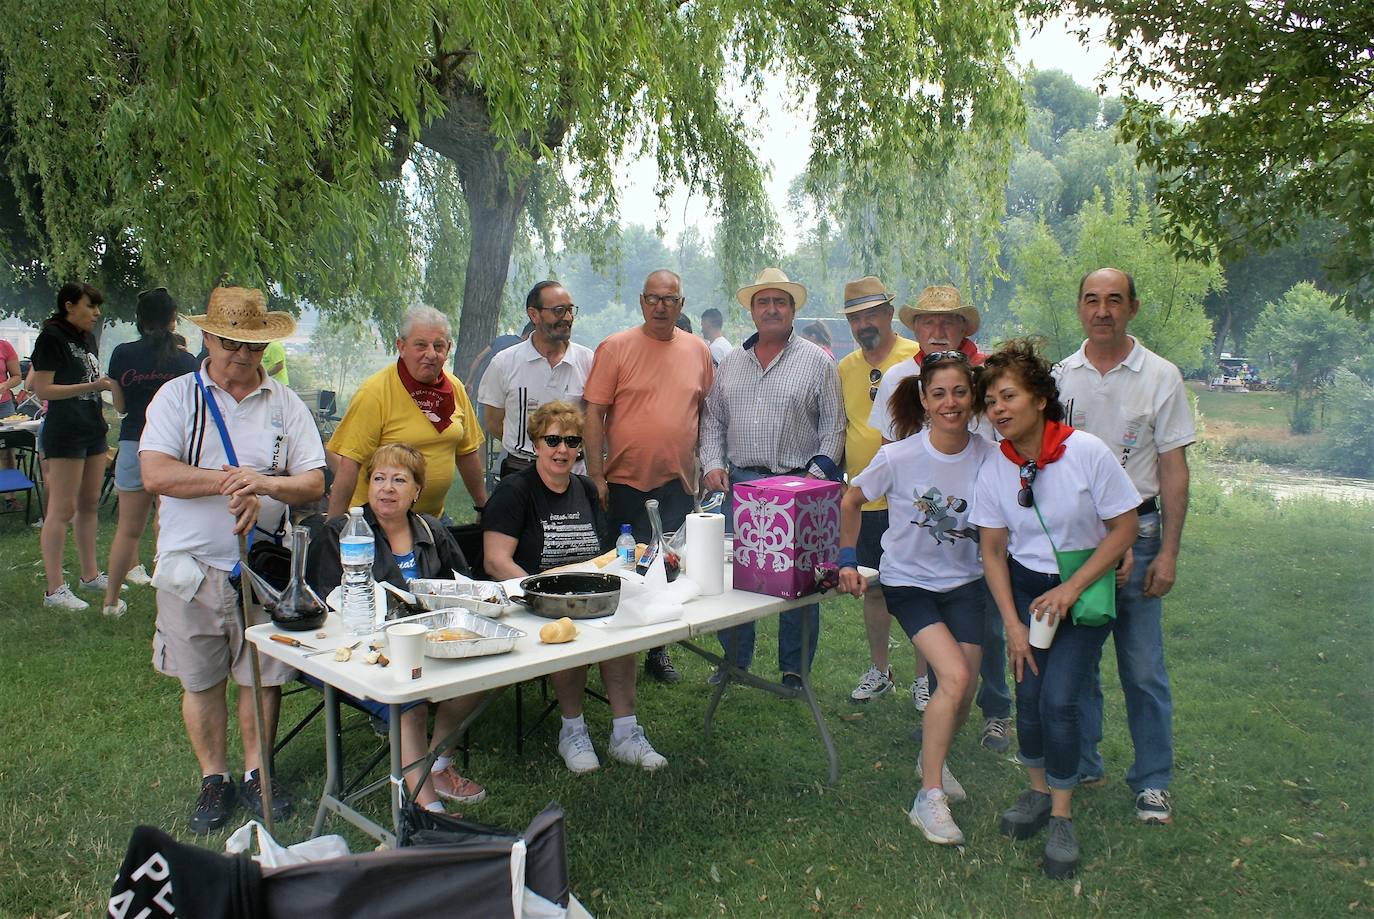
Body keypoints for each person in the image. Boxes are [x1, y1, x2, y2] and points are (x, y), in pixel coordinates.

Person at [140, 287, 326, 834]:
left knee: (261, 677)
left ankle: (256, 773)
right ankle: (213, 778)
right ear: (206, 337)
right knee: (199, 679)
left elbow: (313, 480)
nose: (242, 356)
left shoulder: (285, 403)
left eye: (252, 345)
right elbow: (154, 472)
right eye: (230, 343)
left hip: (263, 570)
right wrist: (233, 483)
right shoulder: (178, 397)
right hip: (191, 565)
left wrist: (263, 484)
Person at [970, 340, 1139, 878]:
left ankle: (1062, 815)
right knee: (1028, 694)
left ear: (1041, 398)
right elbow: (992, 550)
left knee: (1061, 699)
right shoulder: (997, 467)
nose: (998, 409)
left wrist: (1070, 590)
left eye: (1009, 396)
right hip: (1025, 591)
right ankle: (1037, 791)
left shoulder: (1086, 451)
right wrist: (1013, 624)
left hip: (1081, 593)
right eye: (991, 400)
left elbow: (1125, 527)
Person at [1056, 267, 1195, 825]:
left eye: (1115, 300)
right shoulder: (1061, 377)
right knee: (1079, 660)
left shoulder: (1160, 376)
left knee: (1141, 666)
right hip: (1080, 539)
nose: (1103, 311)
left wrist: (1168, 553)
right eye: (1092, 300)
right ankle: (1085, 761)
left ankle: (1153, 779)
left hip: (1139, 528)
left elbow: (1173, 468)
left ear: (1133, 308)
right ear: (1079, 308)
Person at [838, 351, 995, 845]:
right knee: (953, 675)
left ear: (973, 399)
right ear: (924, 400)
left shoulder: (990, 456)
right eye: (939, 394)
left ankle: (934, 754)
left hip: (966, 584)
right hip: (909, 583)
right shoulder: (899, 456)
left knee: (963, 688)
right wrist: (846, 559)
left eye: (960, 392)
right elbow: (850, 499)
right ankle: (928, 798)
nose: (950, 403)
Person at [484, 401, 668, 773]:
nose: (562, 449)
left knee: (624, 622)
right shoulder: (515, 491)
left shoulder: (584, 489)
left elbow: (602, 551)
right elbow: (494, 560)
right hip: (534, 599)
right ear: (536, 443)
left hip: (589, 593)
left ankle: (625, 732)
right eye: (552, 440)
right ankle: (572, 730)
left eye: (571, 441)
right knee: (569, 625)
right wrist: (536, 594)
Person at [868, 285, 1012, 750]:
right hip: (925, 525)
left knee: (987, 625)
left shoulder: (984, 376)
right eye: (928, 322)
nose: (937, 330)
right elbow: (889, 451)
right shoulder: (896, 379)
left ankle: (994, 710)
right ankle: (938, 710)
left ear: (963, 328)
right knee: (937, 630)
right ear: (915, 329)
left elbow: (1002, 446)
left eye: (948, 321)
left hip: (981, 522)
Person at [308, 443, 488, 811]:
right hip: (361, 650)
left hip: (429, 640)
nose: (387, 488)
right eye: (378, 478)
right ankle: (427, 811)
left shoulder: (431, 529)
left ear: (417, 491)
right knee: (411, 702)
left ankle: (437, 765)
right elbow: (328, 602)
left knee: (484, 673)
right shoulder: (341, 533)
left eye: (399, 480)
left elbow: (461, 585)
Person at [700, 267, 844, 689]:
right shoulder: (730, 365)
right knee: (735, 578)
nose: (771, 309)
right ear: (752, 311)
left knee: (800, 582)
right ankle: (734, 661)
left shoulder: (816, 362)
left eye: (780, 301)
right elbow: (712, 419)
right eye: (763, 302)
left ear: (792, 310)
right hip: (741, 486)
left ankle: (794, 670)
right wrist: (711, 462)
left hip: (797, 486)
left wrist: (812, 484)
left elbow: (833, 427)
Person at [583, 269, 713, 684]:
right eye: (653, 298)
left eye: (669, 299)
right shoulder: (616, 347)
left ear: (681, 305)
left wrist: (704, 465)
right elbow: (593, 414)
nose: (660, 306)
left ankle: (658, 651)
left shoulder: (698, 350)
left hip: (676, 482)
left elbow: (706, 412)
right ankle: (609, 646)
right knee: (620, 567)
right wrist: (596, 474)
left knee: (665, 570)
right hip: (623, 481)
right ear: (641, 302)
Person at [833, 276, 920, 704]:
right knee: (874, 587)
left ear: (889, 313)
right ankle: (880, 669)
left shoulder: (917, 357)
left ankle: (925, 678)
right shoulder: (845, 368)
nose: (864, 323)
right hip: (864, 497)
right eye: (855, 317)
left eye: (871, 314)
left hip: (911, 498)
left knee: (919, 587)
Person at [327, 306, 487, 520]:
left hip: (434, 520)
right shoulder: (375, 392)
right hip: (378, 522)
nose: (430, 354)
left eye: (438, 346)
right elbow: (349, 465)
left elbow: (467, 454)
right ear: (401, 347)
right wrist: (334, 529)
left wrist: (483, 508)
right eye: (420, 345)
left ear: (448, 349)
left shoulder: (454, 388)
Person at [101, 287, 199, 617]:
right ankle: (170, 595)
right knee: (169, 524)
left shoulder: (122, 354)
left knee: (128, 529)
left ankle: (110, 601)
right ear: (174, 319)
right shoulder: (187, 361)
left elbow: (120, 405)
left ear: (140, 320)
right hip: (176, 452)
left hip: (133, 444)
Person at [31, 281, 114, 610]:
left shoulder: (86, 337)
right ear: (69, 305)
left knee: (89, 505)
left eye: (97, 307)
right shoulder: (50, 337)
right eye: (89, 306)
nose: (95, 313)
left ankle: (90, 575)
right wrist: (93, 384)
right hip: (65, 432)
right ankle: (54, 590)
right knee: (61, 510)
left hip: (92, 427)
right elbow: (44, 390)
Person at [478, 280, 594, 479]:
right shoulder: (504, 362)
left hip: (573, 473)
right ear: (534, 315)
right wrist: (529, 449)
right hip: (520, 471)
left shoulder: (587, 361)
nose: (567, 318)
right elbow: (493, 422)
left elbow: (595, 420)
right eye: (558, 310)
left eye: (570, 310)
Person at [0, 334, 22, 509]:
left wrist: (5, 385)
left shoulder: (5, 346)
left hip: (4, 405)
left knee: (7, 450)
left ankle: (10, 496)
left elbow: (16, 376)